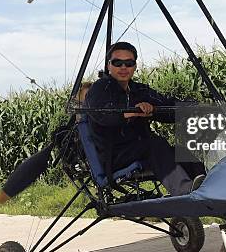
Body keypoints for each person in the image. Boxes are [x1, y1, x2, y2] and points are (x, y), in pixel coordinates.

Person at [84, 41, 205, 196]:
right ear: (108, 65)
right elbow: (102, 114)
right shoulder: (100, 88)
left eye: (129, 63)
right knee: (155, 144)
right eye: (117, 62)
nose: (123, 67)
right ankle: (184, 192)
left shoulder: (140, 90)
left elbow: (167, 106)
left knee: (183, 152)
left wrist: (194, 108)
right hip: (114, 154)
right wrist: (133, 112)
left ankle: (209, 193)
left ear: (135, 66)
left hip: (141, 148)